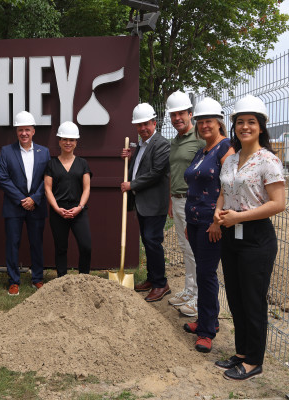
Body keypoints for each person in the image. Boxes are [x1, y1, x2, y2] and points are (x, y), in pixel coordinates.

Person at [214, 95, 285, 381]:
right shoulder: (230, 159)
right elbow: (223, 191)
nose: (245, 127)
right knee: (236, 296)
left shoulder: (268, 160)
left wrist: (238, 218)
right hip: (231, 234)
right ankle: (241, 352)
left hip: (256, 237)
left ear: (261, 126)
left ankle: (254, 360)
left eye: (251, 122)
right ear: (234, 126)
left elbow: (278, 203)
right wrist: (218, 214)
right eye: (240, 122)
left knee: (253, 300)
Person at [183, 97, 234, 353]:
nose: (204, 125)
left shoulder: (226, 149)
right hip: (194, 222)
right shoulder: (202, 151)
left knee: (206, 274)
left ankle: (206, 332)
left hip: (210, 224)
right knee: (203, 274)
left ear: (219, 123)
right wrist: (188, 222)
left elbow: (230, 187)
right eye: (200, 121)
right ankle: (207, 320)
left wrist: (218, 220)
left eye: (209, 121)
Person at [121, 103, 171, 302]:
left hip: (154, 204)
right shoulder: (141, 144)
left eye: (146, 124)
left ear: (154, 122)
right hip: (143, 204)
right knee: (148, 242)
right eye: (139, 125)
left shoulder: (161, 144)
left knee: (153, 241)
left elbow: (156, 173)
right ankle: (152, 278)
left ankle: (161, 284)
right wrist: (131, 158)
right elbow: (141, 168)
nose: (142, 128)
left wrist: (131, 185)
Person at [0, 111, 51, 296]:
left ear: (33, 131)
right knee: (13, 244)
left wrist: (34, 198)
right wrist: (23, 200)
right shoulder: (6, 151)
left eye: (27, 129)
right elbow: (3, 179)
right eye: (20, 130)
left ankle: (37, 278)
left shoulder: (44, 152)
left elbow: (47, 179)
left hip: (36, 206)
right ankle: (13, 281)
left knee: (36, 243)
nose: (24, 133)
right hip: (14, 207)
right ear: (16, 131)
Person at [165, 91, 205, 316]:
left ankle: (200, 296)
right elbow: (174, 172)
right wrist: (171, 199)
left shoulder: (199, 138)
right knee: (185, 248)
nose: (177, 118)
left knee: (196, 249)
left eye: (181, 113)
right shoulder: (176, 141)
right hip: (178, 200)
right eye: (173, 114)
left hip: (193, 202)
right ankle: (190, 290)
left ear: (190, 114)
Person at [44, 121, 92, 277]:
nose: (68, 143)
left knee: (86, 246)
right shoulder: (51, 164)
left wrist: (80, 207)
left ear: (76, 142)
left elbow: (86, 188)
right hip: (58, 212)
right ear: (59, 141)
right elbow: (47, 189)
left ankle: (84, 278)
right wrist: (57, 209)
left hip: (79, 211)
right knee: (61, 247)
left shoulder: (82, 163)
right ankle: (62, 280)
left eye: (71, 140)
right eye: (64, 139)